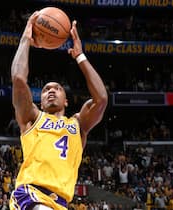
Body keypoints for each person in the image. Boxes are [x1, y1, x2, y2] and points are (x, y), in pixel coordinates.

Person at [9, 11, 108, 210]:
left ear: (67, 101)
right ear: (41, 100)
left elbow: (102, 99)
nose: (51, 91)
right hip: (30, 195)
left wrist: (80, 56)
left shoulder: (78, 124)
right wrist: (26, 38)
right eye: (46, 89)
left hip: (59, 203)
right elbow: (19, 80)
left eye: (57, 88)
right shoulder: (32, 117)